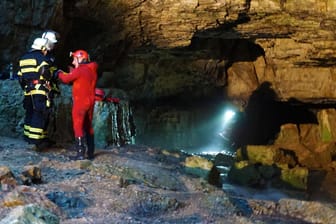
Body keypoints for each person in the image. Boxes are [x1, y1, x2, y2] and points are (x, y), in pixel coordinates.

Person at [55, 50, 98, 160]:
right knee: (88, 126)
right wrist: (73, 71)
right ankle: (90, 152)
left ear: (81, 59)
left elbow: (66, 79)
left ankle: (80, 153)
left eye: (74, 59)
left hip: (81, 102)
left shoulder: (80, 70)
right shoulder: (91, 70)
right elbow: (82, 78)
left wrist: (59, 73)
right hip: (91, 101)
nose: (73, 62)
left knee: (78, 126)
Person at [17, 38, 53, 150]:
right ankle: (36, 141)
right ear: (42, 48)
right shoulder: (41, 57)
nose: (46, 51)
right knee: (40, 113)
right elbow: (44, 71)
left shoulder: (23, 58)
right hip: (39, 89)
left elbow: (20, 77)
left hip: (28, 90)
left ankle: (28, 137)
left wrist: (26, 87)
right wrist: (50, 79)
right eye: (45, 49)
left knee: (30, 112)